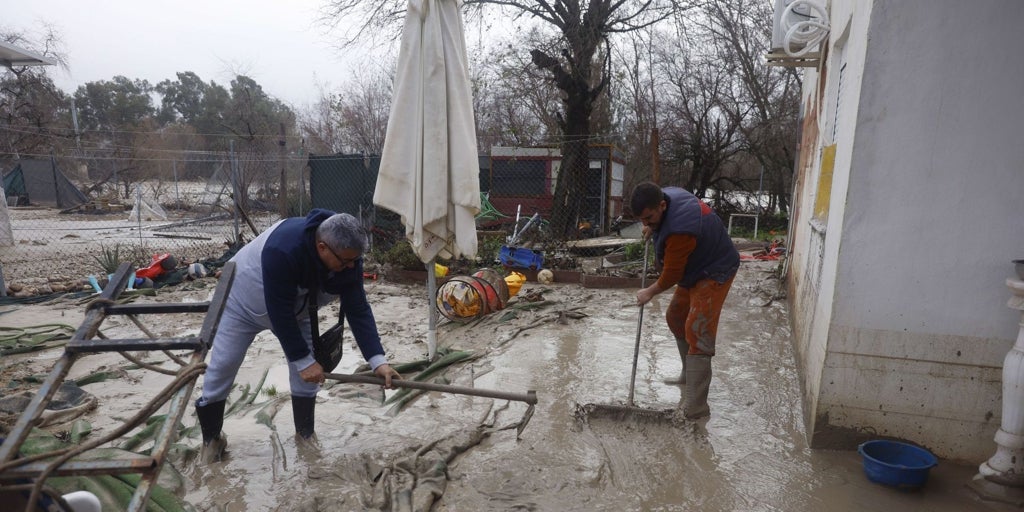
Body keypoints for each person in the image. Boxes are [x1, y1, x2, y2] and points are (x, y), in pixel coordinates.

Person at [194, 209, 401, 463]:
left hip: (298, 308)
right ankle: (211, 439)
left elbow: (357, 308)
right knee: (223, 366)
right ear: (322, 247)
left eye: (353, 262)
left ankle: (305, 436)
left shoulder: (348, 257)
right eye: (345, 262)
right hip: (243, 303)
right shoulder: (282, 249)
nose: (350, 267)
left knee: (307, 377)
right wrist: (302, 360)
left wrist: (378, 361)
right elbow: (278, 311)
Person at [630, 182, 739, 419]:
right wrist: (653, 228)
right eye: (642, 220)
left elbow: (672, 274)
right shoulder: (665, 199)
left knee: (698, 329)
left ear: (661, 205)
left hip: (715, 270)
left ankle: (696, 409)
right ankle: (689, 377)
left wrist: (649, 291)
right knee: (676, 317)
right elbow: (663, 230)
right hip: (697, 266)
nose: (645, 224)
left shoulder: (680, 230)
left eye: (649, 218)